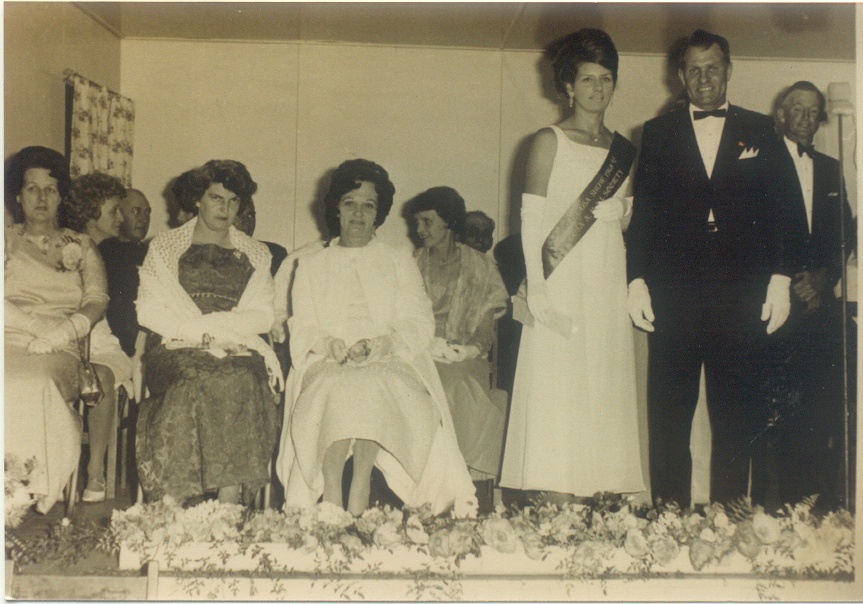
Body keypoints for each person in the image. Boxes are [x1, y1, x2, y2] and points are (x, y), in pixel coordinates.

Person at [626, 30, 809, 507]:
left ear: (729, 70)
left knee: (736, 415)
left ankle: (729, 520)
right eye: (694, 69)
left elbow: (789, 210)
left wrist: (781, 279)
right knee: (669, 416)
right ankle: (668, 518)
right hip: (674, 293)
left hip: (740, 294)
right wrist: (636, 279)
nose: (704, 79)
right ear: (679, 76)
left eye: (713, 67)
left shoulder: (761, 129)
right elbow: (643, 213)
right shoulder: (658, 133)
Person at [277, 159, 476, 517]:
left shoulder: (398, 261)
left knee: (377, 382)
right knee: (332, 386)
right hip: (326, 356)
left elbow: (418, 321)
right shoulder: (309, 264)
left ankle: (362, 482)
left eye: (368, 205)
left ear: (378, 212)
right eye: (350, 203)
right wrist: (330, 345)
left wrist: (382, 345)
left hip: (389, 356)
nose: (358, 214)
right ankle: (332, 487)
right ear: (336, 208)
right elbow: (303, 325)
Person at [499, 29, 645, 506]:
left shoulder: (623, 150)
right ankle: (556, 497)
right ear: (567, 86)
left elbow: (627, 223)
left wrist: (623, 214)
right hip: (559, 284)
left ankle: (600, 496)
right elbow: (530, 223)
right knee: (559, 388)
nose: (597, 89)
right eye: (587, 79)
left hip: (606, 279)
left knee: (602, 384)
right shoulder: (549, 141)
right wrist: (538, 295)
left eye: (606, 78)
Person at [136, 160, 282, 505]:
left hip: (237, 347)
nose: (226, 209)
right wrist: (197, 331)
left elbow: (262, 315)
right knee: (193, 377)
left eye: (234, 201)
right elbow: (148, 309)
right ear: (198, 200)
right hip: (175, 346)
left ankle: (228, 502)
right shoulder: (166, 247)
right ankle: (175, 499)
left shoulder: (256, 253)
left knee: (242, 378)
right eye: (217, 199)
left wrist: (219, 331)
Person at [759, 81, 856, 510]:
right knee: (775, 416)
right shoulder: (757, 161)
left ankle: (816, 507)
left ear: (820, 118)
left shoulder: (833, 169)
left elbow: (846, 234)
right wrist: (796, 285)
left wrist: (823, 277)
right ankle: (770, 509)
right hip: (775, 312)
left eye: (813, 110)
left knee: (822, 410)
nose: (804, 116)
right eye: (796, 108)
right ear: (781, 113)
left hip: (821, 313)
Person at [4, 147, 106, 511]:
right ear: (17, 196)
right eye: (32, 189)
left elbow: (97, 300)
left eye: (50, 189)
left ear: (61, 196)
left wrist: (61, 334)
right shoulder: (5, 241)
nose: (41, 198)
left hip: (62, 348)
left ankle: (25, 487)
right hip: (10, 338)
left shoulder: (81, 245)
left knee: (35, 382)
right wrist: (33, 327)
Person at [409, 187, 509, 512]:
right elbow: (402, 317)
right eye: (418, 223)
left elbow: (487, 323)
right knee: (419, 388)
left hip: (465, 357)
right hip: (419, 353)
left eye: (427, 222)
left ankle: (455, 495)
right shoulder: (411, 264)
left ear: (449, 222)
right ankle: (427, 493)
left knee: (451, 386)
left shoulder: (481, 266)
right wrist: (424, 344)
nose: (420, 230)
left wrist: (468, 350)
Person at [62, 172, 135, 502]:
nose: (120, 218)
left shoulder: (118, 253)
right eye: (113, 211)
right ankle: (60, 468)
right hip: (64, 337)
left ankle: (95, 472)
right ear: (92, 213)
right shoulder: (64, 246)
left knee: (101, 375)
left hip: (100, 339)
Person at [98, 188, 151, 356]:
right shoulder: (106, 251)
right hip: (122, 341)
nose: (143, 218)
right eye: (135, 211)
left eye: (147, 212)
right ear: (118, 215)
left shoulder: (153, 251)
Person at [233, 198, 289, 277]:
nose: (247, 221)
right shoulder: (214, 253)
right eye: (239, 215)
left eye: (250, 215)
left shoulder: (275, 253)